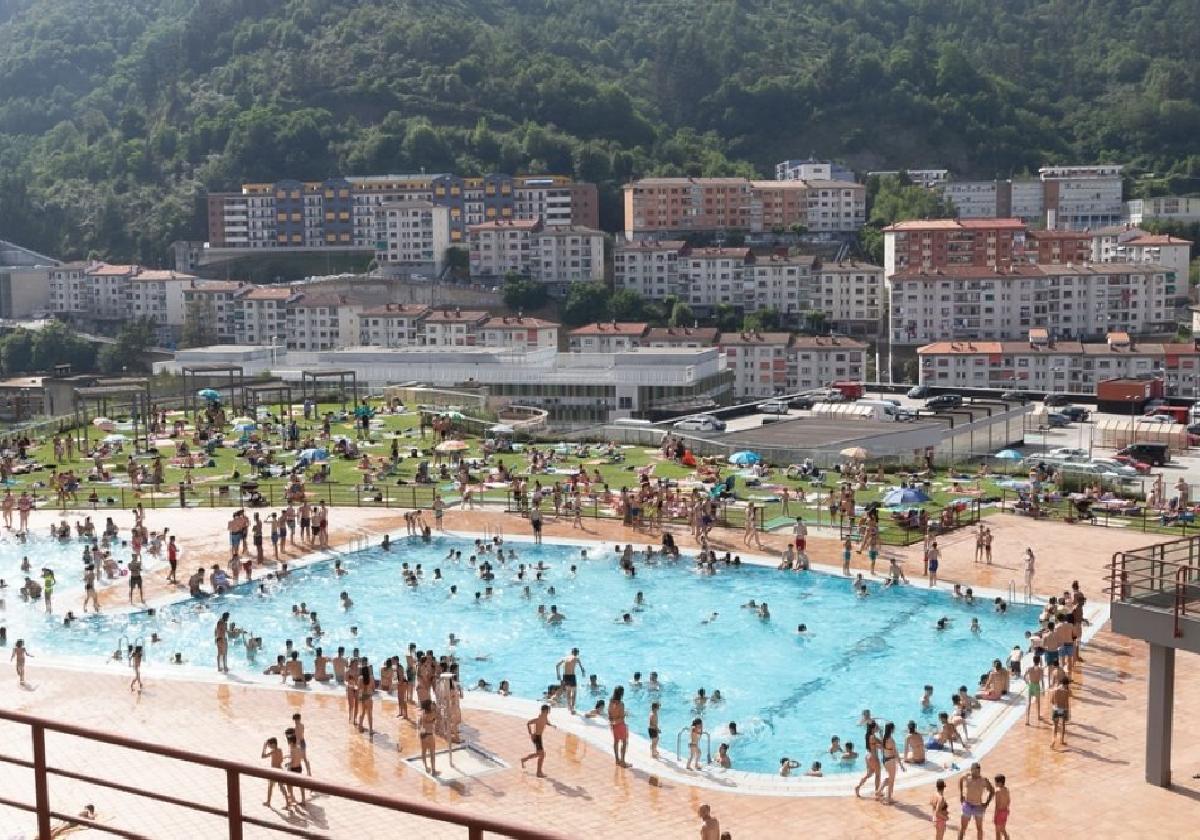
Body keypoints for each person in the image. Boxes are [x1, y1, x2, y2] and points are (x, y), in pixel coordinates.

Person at [957, 762, 994, 840]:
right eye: (975, 771)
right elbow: (960, 780)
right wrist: (961, 793)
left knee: (979, 828)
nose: (977, 773)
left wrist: (987, 803)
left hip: (978, 806)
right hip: (967, 804)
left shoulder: (983, 780)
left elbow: (992, 791)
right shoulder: (967, 777)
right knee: (963, 827)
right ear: (971, 770)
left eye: (978, 771)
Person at [520, 704, 553, 777]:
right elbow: (528, 723)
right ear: (544, 711)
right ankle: (538, 772)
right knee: (542, 755)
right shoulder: (539, 718)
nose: (549, 712)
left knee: (540, 754)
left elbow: (546, 722)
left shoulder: (545, 717)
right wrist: (531, 733)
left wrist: (551, 725)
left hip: (539, 737)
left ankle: (524, 759)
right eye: (548, 710)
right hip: (537, 738)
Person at [261, 737, 293, 808]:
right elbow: (281, 760)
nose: (268, 746)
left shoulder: (273, 751)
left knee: (274, 787)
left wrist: (264, 748)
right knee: (275, 787)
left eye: (269, 745)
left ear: (273, 744)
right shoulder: (279, 750)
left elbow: (263, 756)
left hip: (274, 772)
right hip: (279, 770)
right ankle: (287, 803)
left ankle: (269, 802)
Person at [556, 647, 585, 714]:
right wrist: (583, 672)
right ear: (577, 653)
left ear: (571, 652)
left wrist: (558, 675)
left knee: (568, 692)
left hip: (565, 676)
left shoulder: (565, 658)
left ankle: (569, 707)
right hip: (572, 676)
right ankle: (572, 708)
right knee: (574, 692)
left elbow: (557, 665)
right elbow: (582, 668)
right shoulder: (576, 658)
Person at [608, 685, 630, 767]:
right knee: (624, 742)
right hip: (620, 725)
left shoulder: (611, 702)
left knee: (616, 742)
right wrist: (625, 714)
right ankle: (623, 761)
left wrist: (612, 721)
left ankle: (617, 760)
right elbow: (621, 717)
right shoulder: (621, 704)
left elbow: (609, 714)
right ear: (621, 693)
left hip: (613, 726)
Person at [419, 699, 439, 775]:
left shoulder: (422, 713)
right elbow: (437, 716)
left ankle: (426, 767)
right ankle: (433, 771)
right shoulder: (432, 714)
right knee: (432, 753)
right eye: (431, 704)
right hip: (429, 735)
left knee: (423, 751)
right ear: (428, 706)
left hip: (423, 734)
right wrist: (436, 707)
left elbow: (421, 723)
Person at [1023, 654, 1045, 724]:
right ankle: (1038, 716)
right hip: (1037, 685)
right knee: (1037, 702)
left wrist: (1027, 682)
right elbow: (1042, 680)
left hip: (1030, 685)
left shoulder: (1029, 668)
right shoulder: (1040, 670)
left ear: (1033, 661)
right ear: (1039, 661)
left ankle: (1027, 720)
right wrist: (1043, 689)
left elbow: (1024, 676)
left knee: (1028, 703)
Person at [1050, 675, 1071, 747]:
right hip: (1063, 709)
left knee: (1055, 726)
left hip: (1056, 709)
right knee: (1063, 725)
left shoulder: (1055, 690)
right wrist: (1068, 713)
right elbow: (1066, 703)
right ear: (1066, 684)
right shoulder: (1066, 691)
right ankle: (1062, 740)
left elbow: (1052, 701)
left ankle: (1053, 740)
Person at [993, 774, 1011, 840]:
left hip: (999, 813)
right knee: (1003, 828)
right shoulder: (1007, 790)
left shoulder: (998, 792)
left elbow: (997, 805)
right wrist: (1008, 808)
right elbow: (1009, 800)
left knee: (997, 832)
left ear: (999, 783)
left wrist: (995, 815)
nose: (995, 783)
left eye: (996, 782)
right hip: (1005, 811)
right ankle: (1006, 837)